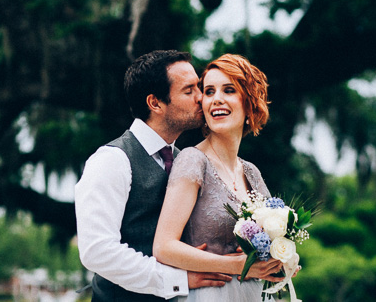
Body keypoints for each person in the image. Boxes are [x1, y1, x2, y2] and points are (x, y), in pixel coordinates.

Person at [75, 50, 234, 301]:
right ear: (155, 103)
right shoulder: (111, 161)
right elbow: (97, 251)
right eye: (189, 90)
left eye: (199, 87)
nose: (201, 98)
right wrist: (176, 279)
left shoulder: (187, 160)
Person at [153, 54, 284, 301]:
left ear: (249, 102)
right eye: (209, 91)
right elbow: (163, 247)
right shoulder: (193, 160)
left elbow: (270, 242)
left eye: (229, 90)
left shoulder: (251, 172)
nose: (216, 100)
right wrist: (234, 266)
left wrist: (281, 261)